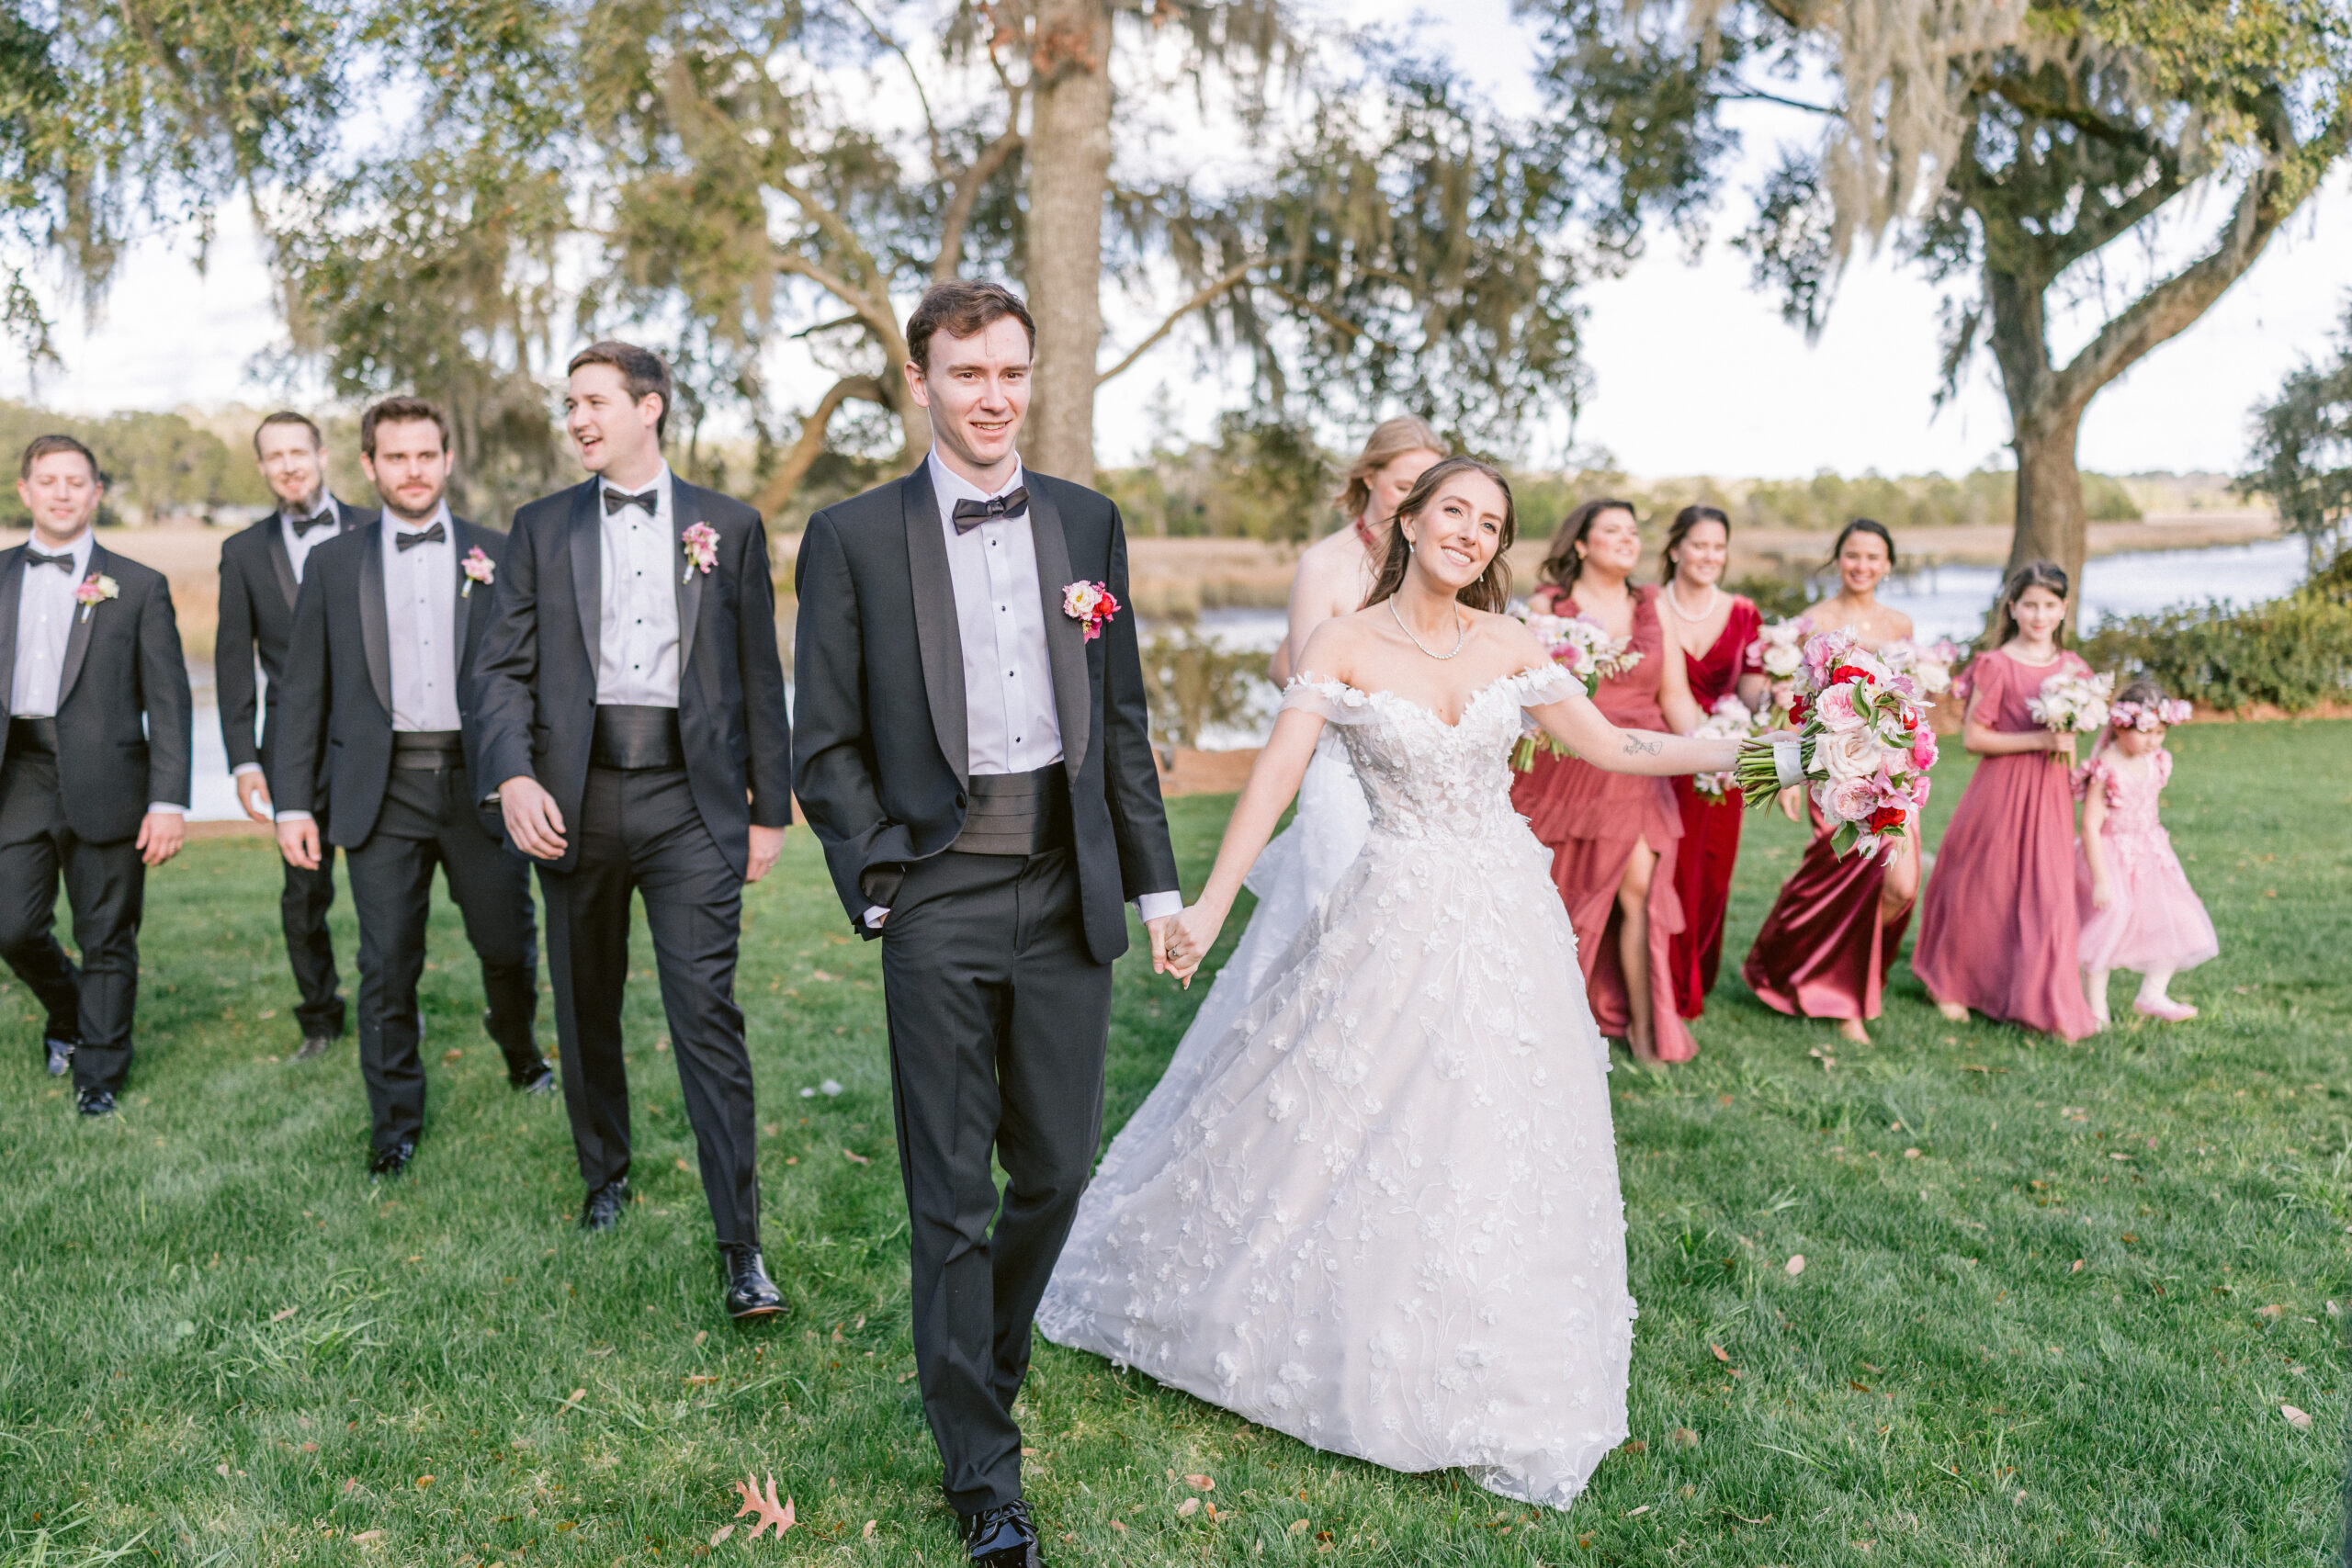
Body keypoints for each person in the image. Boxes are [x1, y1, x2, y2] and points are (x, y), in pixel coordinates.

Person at [1040, 458, 1756, 1512]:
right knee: (1356, 1112)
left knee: (1502, 1119)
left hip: (1508, 909)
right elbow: (1277, 775)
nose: (1469, 533)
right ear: (1409, 522)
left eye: (1489, 524)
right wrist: (1203, 905)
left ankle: (1492, 1347)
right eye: (1453, 512)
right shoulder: (1345, 644)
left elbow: (1610, 742)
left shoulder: (1513, 643)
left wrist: (1753, 754)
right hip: (1396, 906)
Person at [791, 280, 1182, 1568]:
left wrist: (1155, 882)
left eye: (1012, 370)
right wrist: (883, 875)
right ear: (921, 382)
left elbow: (1118, 721)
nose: (994, 395)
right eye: (968, 374)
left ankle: (984, 1357)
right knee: (949, 1194)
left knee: (1058, 1169)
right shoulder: (852, 538)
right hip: (939, 892)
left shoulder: (1085, 520)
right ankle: (981, 1468)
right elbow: (826, 743)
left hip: (1067, 883)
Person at [474, 342, 794, 1320]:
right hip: (576, 796)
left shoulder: (727, 526)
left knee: (706, 1014)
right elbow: (500, 670)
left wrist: (769, 810)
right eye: (570, 403)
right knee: (585, 1002)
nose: (577, 419)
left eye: (595, 402)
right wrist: (514, 773)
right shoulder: (538, 528)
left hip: (693, 805)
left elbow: (754, 674)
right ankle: (604, 1175)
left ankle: (742, 1246)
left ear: (648, 408)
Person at [270, 398, 553, 1179]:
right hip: (380, 787)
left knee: (506, 943)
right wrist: (294, 802)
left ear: (448, 459)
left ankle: (521, 1049)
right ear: (368, 466)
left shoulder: (501, 553)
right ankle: (394, 1120)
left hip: (483, 784)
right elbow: (302, 694)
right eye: (396, 457)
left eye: (426, 454)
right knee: (387, 961)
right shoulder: (331, 565)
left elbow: (536, 676)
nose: (413, 470)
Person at [0, 434, 190, 1113]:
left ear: (96, 493)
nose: (60, 492)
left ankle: (100, 1076)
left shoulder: (138, 586)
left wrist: (168, 800)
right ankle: (70, 1007)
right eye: (47, 480)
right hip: (19, 771)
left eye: (75, 481)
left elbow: (170, 704)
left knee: (107, 932)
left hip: (112, 778)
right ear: (25, 490)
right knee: (11, 926)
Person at [1227, 417, 1441, 1002]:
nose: (1415, 502)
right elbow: (1301, 681)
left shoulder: (1441, 558)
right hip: (1345, 772)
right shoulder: (1326, 563)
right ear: (1368, 477)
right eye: (1403, 486)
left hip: (1427, 775)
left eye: (1430, 489)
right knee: (1342, 932)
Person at [1510, 498, 1704, 1063]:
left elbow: (1674, 695)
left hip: (1641, 762)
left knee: (1640, 884)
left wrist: (1703, 749)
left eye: (1631, 531)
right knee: (1562, 891)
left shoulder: (1652, 605)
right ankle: (1552, 1019)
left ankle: (1647, 1031)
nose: (1627, 539)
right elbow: (1527, 691)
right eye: (1611, 530)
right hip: (1568, 760)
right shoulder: (1550, 605)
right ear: (1580, 544)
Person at [216, 411, 374, 1062]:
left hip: (374, 737)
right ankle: (320, 1015)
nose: (288, 465)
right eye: (273, 455)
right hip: (290, 746)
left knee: (385, 887)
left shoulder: (376, 526)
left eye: (297, 452)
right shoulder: (244, 551)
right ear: (262, 467)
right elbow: (231, 662)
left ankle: (390, 1003)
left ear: (322, 454)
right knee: (304, 891)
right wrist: (243, 760)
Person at [1739, 519, 1919, 1045]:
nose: (1862, 565)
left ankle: (1835, 973)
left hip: (1895, 771)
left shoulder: (1902, 624)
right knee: (1846, 883)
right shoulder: (1813, 623)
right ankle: (1846, 1005)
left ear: (1887, 565)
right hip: (1834, 768)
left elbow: (1909, 699)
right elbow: (1801, 701)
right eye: (1852, 555)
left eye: (1873, 557)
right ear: (1837, 559)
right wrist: (1792, 775)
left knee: (1901, 887)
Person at [1910, 562, 2103, 1041]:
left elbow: (2072, 736)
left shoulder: (2075, 669)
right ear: (2012, 607)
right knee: (1984, 885)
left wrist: (2073, 773)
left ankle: (2044, 995)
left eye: (2050, 605)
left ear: (2063, 609)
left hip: (2051, 792)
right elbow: (1975, 737)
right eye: (2030, 604)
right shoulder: (1997, 664)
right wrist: (2039, 740)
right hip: (2000, 787)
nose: (2040, 615)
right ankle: (1954, 983)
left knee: (2047, 891)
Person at [1655, 505, 1766, 1016]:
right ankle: (1662, 982)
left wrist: (1774, 686)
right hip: (1660, 760)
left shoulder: (1743, 611)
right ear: (1676, 548)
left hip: (1724, 761)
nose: (1709, 556)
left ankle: (1694, 975)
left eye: (1718, 547)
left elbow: (1749, 691)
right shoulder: (1649, 606)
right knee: (1667, 873)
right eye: (1699, 545)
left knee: (1714, 877)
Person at [2075, 680, 2215, 1024]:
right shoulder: (2106, 768)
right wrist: (2101, 880)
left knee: (2176, 916)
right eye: (2146, 732)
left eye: (2161, 732)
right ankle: (2096, 1010)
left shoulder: (2157, 760)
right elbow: (2090, 826)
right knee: (2112, 921)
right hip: (2111, 854)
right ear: (2121, 727)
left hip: (2151, 853)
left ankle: (2152, 994)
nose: (2154, 741)